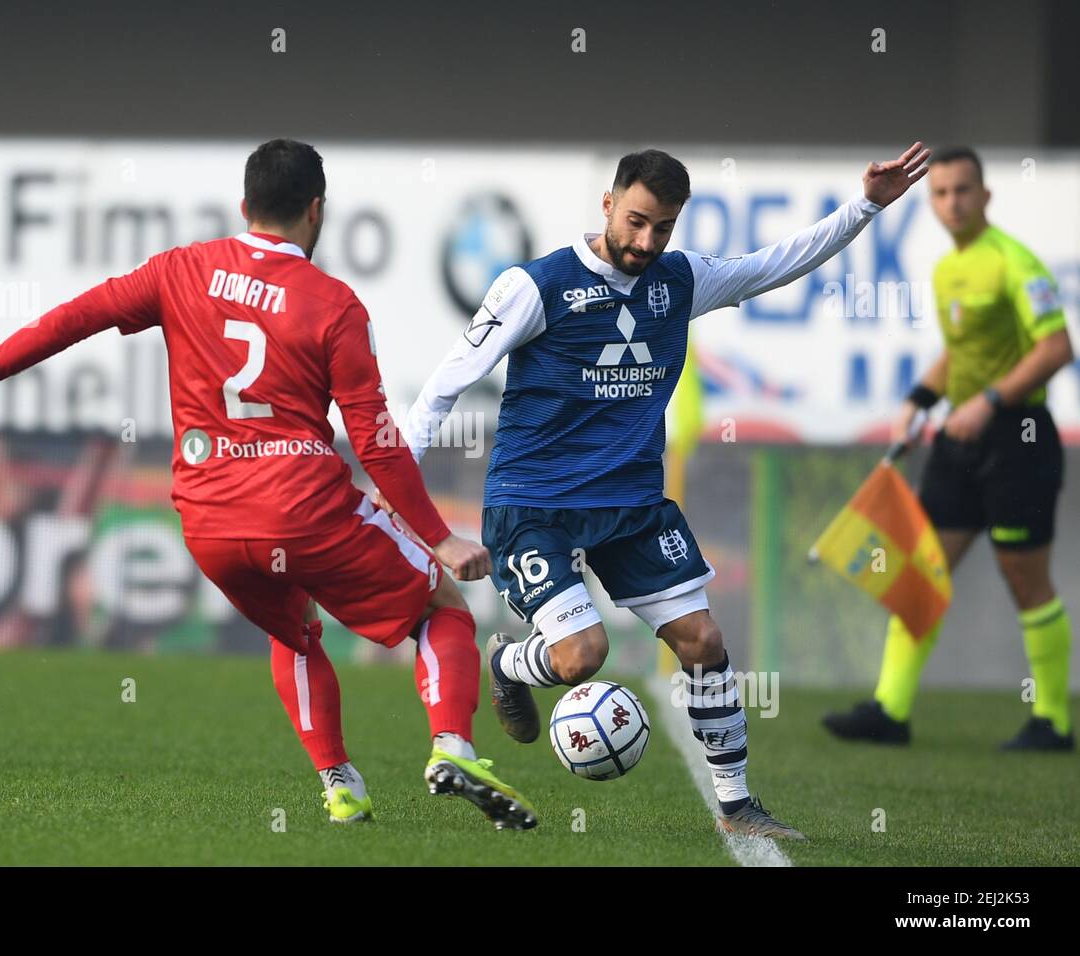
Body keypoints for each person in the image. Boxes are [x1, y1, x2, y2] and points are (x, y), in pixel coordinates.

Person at [0, 138, 538, 830]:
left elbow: (71, 320)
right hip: (303, 509)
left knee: (293, 634)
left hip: (209, 524)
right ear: (317, 211)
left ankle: (340, 782)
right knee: (439, 606)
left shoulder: (183, 269)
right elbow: (376, 440)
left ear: (244, 206)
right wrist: (437, 537)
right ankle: (451, 746)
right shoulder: (334, 306)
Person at [390, 142, 933, 839]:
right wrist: (399, 491)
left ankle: (738, 807)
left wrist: (864, 208)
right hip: (535, 505)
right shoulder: (535, 285)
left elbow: (772, 266)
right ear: (608, 202)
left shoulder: (678, 281)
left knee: (703, 639)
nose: (647, 241)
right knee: (584, 656)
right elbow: (445, 383)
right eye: (637, 221)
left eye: (664, 228)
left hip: (631, 506)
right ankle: (509, 661)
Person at [824, 146, 1074, 751]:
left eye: (962, 191)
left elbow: (1056, 348)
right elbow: (958, 355)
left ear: (984, 196)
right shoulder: (946, 269)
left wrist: (988, 402)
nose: (951, 203)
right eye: (940, 194)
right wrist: (918, 399)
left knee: (1025, 580)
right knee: (920, 570)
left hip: (1019, 439)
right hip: (959, 444)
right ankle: (891, 710)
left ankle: (1054, 722)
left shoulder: (1015, 263)